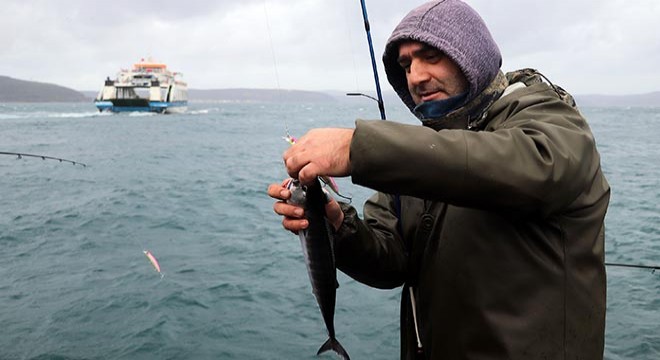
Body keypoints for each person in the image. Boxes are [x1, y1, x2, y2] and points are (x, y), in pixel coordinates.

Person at [268, 0, 610, 359]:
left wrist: (359, 147)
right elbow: (392, 262)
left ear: (469, 56)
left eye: (430, 56)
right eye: (406, 64)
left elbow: (537, 166)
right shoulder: (420, 155)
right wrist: (339, 225)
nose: (415, 75)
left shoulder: (549, 118)